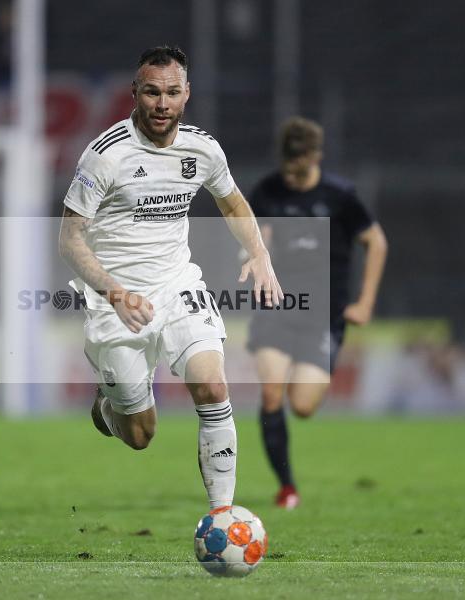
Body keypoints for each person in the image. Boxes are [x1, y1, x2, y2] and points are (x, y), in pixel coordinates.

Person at [58, 46, 282, 509]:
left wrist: (259, 253)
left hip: (179, 286)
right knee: (140, 435)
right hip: (116, 301)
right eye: (153, 92)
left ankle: (222, 516)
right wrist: (115, 293)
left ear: (187, 95)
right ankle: (108, 403)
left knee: (213, 387)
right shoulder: (105, 156)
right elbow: (70, 239)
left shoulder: (202, 148)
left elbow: (233, 202)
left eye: (172, 93)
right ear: (135, 93)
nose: (162, 103)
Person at [247, 117, 388, 509]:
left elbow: (376, 242)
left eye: (300, 168)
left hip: (324, 316)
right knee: (272, 393)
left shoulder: (340, 196)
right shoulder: (267, 192)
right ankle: (287, 488)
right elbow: (254, 240)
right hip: (276, 311)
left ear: (315, 157)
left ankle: (288, 475)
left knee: (303, 406)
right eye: (287, 168)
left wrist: (365, 302)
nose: (291, 177)